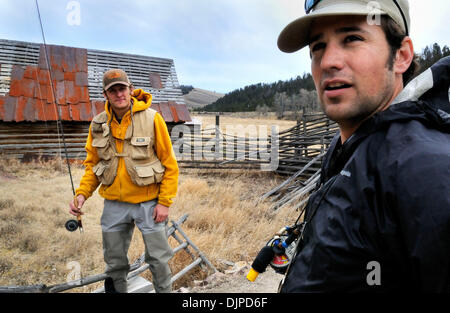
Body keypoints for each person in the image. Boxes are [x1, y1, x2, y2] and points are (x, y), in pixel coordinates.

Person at [276, 0, 450, 292]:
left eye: (352, 38)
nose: (328, 61)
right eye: (318, 46)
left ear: (401, 56)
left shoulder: (428, 170)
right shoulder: (348, 148)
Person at [68, 69, 179, 293]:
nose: (119, 94)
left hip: (149, 203)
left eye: (122, 89)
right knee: (115, 262)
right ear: (106, 94)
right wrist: (81, 195)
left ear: (130, 90)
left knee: (158, 259)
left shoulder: (152, 118)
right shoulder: (97, 125)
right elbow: (92, 166)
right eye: (113, 90)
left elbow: (170, 164)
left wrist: (164, 202)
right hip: (114, 204)